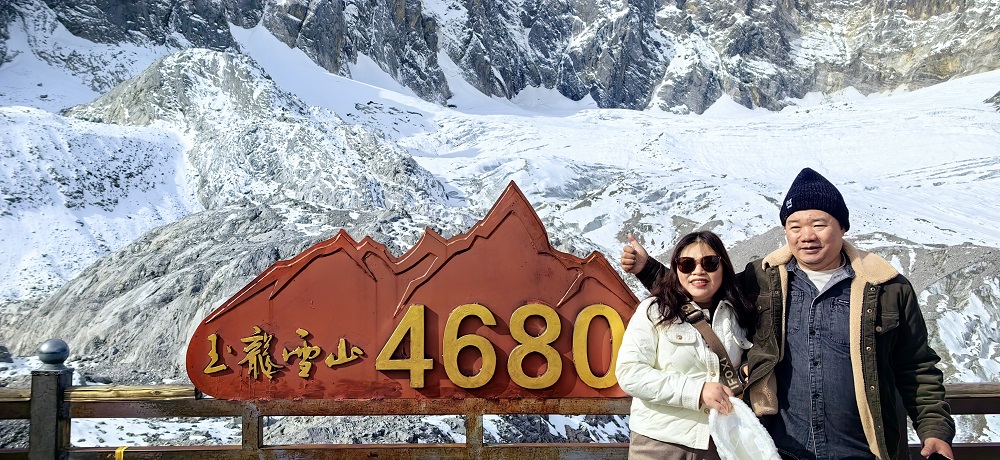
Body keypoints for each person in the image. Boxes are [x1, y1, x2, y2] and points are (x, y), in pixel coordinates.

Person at [620, 168, 955, 460]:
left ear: (842, 227)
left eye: (819, 224)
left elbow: (916, 366)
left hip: (863, 449)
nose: (806, 236)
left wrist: (935, 430)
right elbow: (702, 285)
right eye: (795, 226)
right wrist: (647, 268)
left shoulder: (887, 289)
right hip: (781, 449)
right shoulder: (763, 280)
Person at [616, 231, 756, 459]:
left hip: (719, 442)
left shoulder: (739, 313)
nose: (698, 271)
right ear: (676, 269)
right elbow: (630, 373)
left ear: (723, 266)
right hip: (659, 442)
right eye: (687, 264)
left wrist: (745, 370)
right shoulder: (654, 311)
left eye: (709, 263)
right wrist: (697, 391)